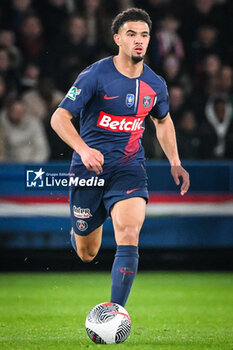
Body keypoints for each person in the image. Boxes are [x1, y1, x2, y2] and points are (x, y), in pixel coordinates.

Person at [50, 8, 190, 307]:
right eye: (131, 34)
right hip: (89, 168)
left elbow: (162, 121)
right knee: (87, 252)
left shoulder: (156, 84)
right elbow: (59, 118)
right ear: (118, 39)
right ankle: (82, 229)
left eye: (144, 35)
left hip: (128, 168)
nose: (139, 40)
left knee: (128, 231)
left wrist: (175, 161)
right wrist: (83, 149)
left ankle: (116, 313)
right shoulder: (95, 75)